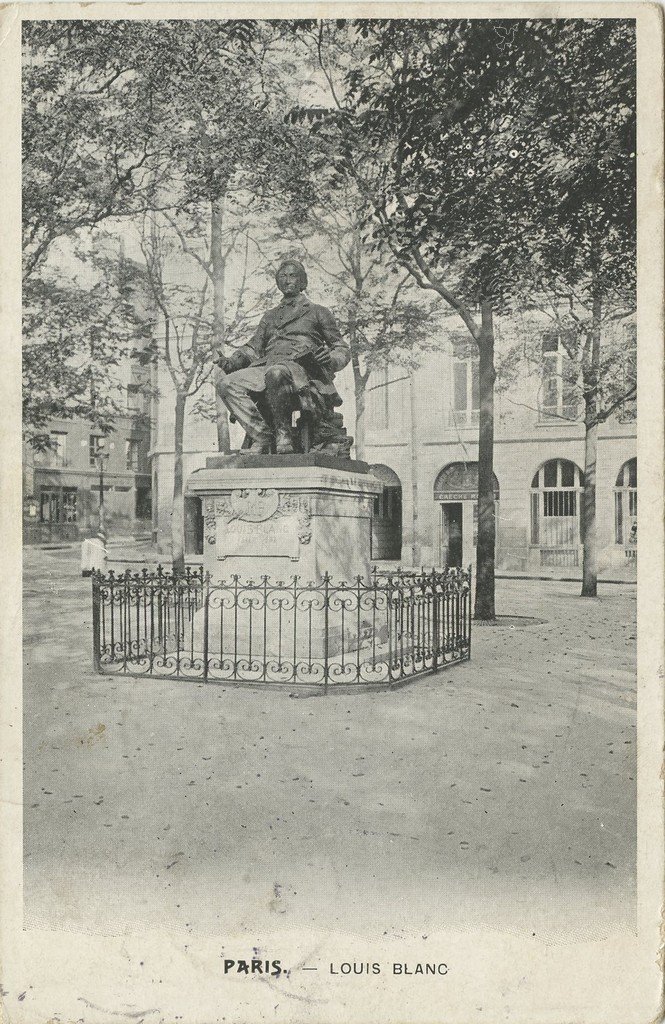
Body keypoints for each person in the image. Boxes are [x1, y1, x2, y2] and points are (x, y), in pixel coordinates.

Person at [216, 260, 350, 454]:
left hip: (300, 369)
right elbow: (253, 348)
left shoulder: (318, 312)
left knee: (276, 373)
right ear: (278, 282)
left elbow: (341, 348)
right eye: (283, 276)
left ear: (303, 282)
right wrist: (232, 361)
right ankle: (262, 435)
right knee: (226, 383)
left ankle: (284, 435)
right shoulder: (269, 316)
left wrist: (330, 358)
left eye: (292, 275)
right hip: (266, 365)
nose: (287, 280)